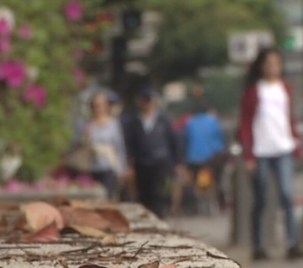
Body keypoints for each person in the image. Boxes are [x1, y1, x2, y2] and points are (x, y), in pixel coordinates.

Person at [238, 48, 303, 261]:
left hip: (283, 148)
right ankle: (258, 245)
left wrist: (296, 141)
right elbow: (245, 124)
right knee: (262, 198)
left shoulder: (286, 88)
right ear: (261, 66)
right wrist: (248, 155)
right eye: (268, 63)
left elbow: (289, 117)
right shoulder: (254, 91)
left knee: (286, 194)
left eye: (276, 63)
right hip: (261, 151)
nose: (273, 67)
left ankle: (292, 242)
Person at [123, 88, 187, 218]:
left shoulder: (164, 120)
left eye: (149, 101)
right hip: (142, 162)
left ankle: (160, 216)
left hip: (160, 161)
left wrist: (178, 162)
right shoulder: (134, 122)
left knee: (158, 192)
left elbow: (174, 141)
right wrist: (129, 162)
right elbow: (129, 143)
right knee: (143, 193)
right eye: (144, 101)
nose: (147, 104)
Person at [72, 91, 128, 200]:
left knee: (109, 197)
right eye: (94, 105)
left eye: (99, 105)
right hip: (91, 167)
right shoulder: (86, 125)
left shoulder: (113, 124)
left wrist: (122, 169)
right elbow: (78, 145)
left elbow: (119, 146)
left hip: (108, 166)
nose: (97, 108)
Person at [183, 102, 227, 214]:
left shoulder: (190, 122)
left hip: (192, 158)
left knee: (192, 182)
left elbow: (185, 139)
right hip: (209, 158)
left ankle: (191, 206)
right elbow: (219, 140)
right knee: (214, 180)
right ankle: (215, 205)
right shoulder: (212, 121)